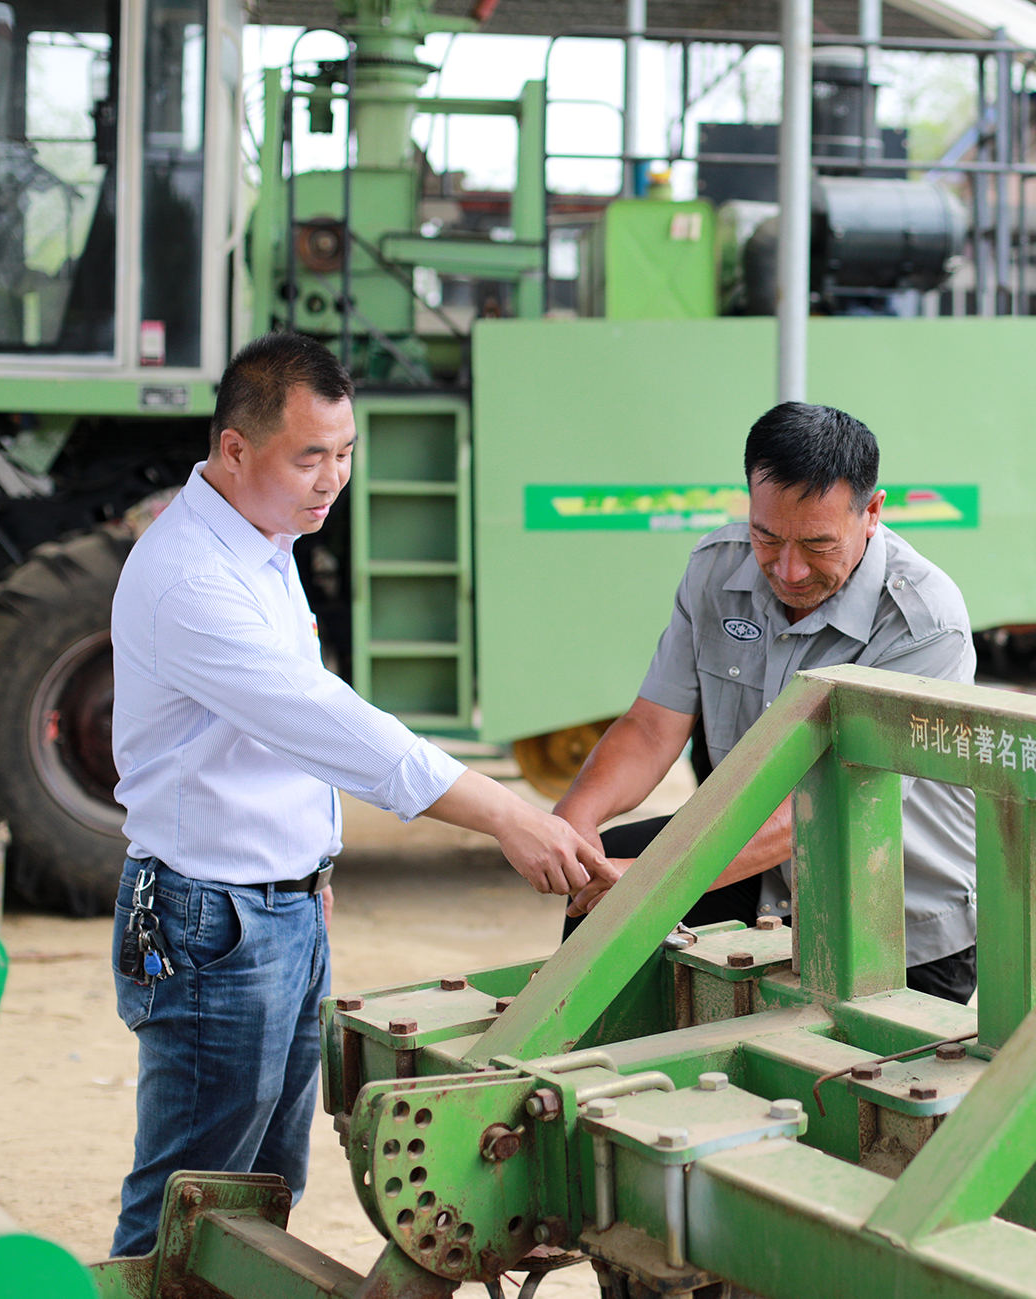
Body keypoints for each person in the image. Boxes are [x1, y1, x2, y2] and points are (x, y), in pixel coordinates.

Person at [106, 333, 612, 1258]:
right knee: (191, 1196)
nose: (333, 479)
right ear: (234, 449)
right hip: (214, 921)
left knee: (265, 1183)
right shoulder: (191, 579)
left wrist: (310, 869)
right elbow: (324, 721)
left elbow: (273, 741)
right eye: (311, 456)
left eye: (345, 453)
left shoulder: (263, 539)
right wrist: (506, 813)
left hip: (276, 908)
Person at [554, 402, 979, 1003]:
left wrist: (658, 883)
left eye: (818, 544)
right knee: (606, 879)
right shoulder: (715, 570)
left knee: (858, 1070)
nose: (789, 569)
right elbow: (651, 727)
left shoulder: (923, 622)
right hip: (754, 874)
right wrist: (573, 821)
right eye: (767, 536)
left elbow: (827, 801)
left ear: (872, 513)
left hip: (893, 910)